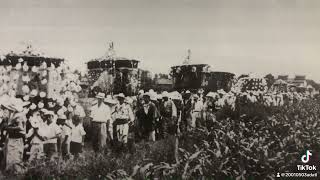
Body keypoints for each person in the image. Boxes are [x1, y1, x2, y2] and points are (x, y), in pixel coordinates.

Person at [1, 97, 27, 173]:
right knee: (10, 158)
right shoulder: (13, 115)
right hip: (12, 138)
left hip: (17, 139)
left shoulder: (19, 115)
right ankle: (11, 173)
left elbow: (20, 128)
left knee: (15, 158)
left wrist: (8, 128)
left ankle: (16, 173)